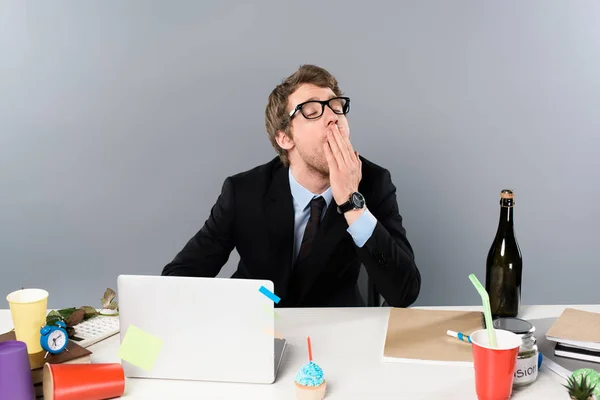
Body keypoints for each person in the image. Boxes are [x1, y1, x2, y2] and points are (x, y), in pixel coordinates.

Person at [162, 64, 421, 308]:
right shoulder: (243, 192)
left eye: (337, 106)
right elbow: (179, 276)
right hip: (255, 326)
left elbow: (404, 292)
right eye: (311, 110)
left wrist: (352, 203)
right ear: (285, 138)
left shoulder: (373, 183)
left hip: (334, 332)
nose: (333, 118)